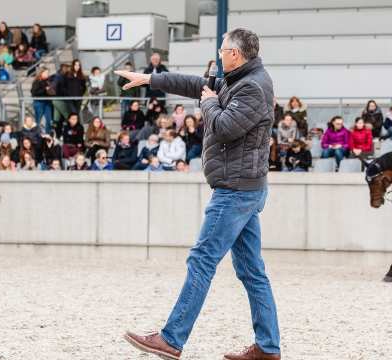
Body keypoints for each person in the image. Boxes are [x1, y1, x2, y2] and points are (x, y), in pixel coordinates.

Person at [117, 27, 281, 360]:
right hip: (244, 188)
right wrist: (150, 79)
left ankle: (172, 339)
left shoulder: (252, 88)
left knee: (202, 260)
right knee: (252, 271)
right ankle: (267, 347)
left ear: (235, 54)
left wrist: (207, 104)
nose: (219, 55)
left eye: (222, 50)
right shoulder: (241, 79)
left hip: (235, 191)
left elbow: (222, 126)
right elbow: (196, 85)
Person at [31, 67, 53, 134]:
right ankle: (37, 134)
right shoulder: (36, 82)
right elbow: (34, 93)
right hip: (39, 102)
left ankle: (48, 134)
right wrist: (45, 89)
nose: (47, 74)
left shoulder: (48, 81)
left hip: (47, 102)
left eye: (48, 73)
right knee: (39, 120)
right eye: (46, 72)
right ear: (41, 73)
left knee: (49, 120)